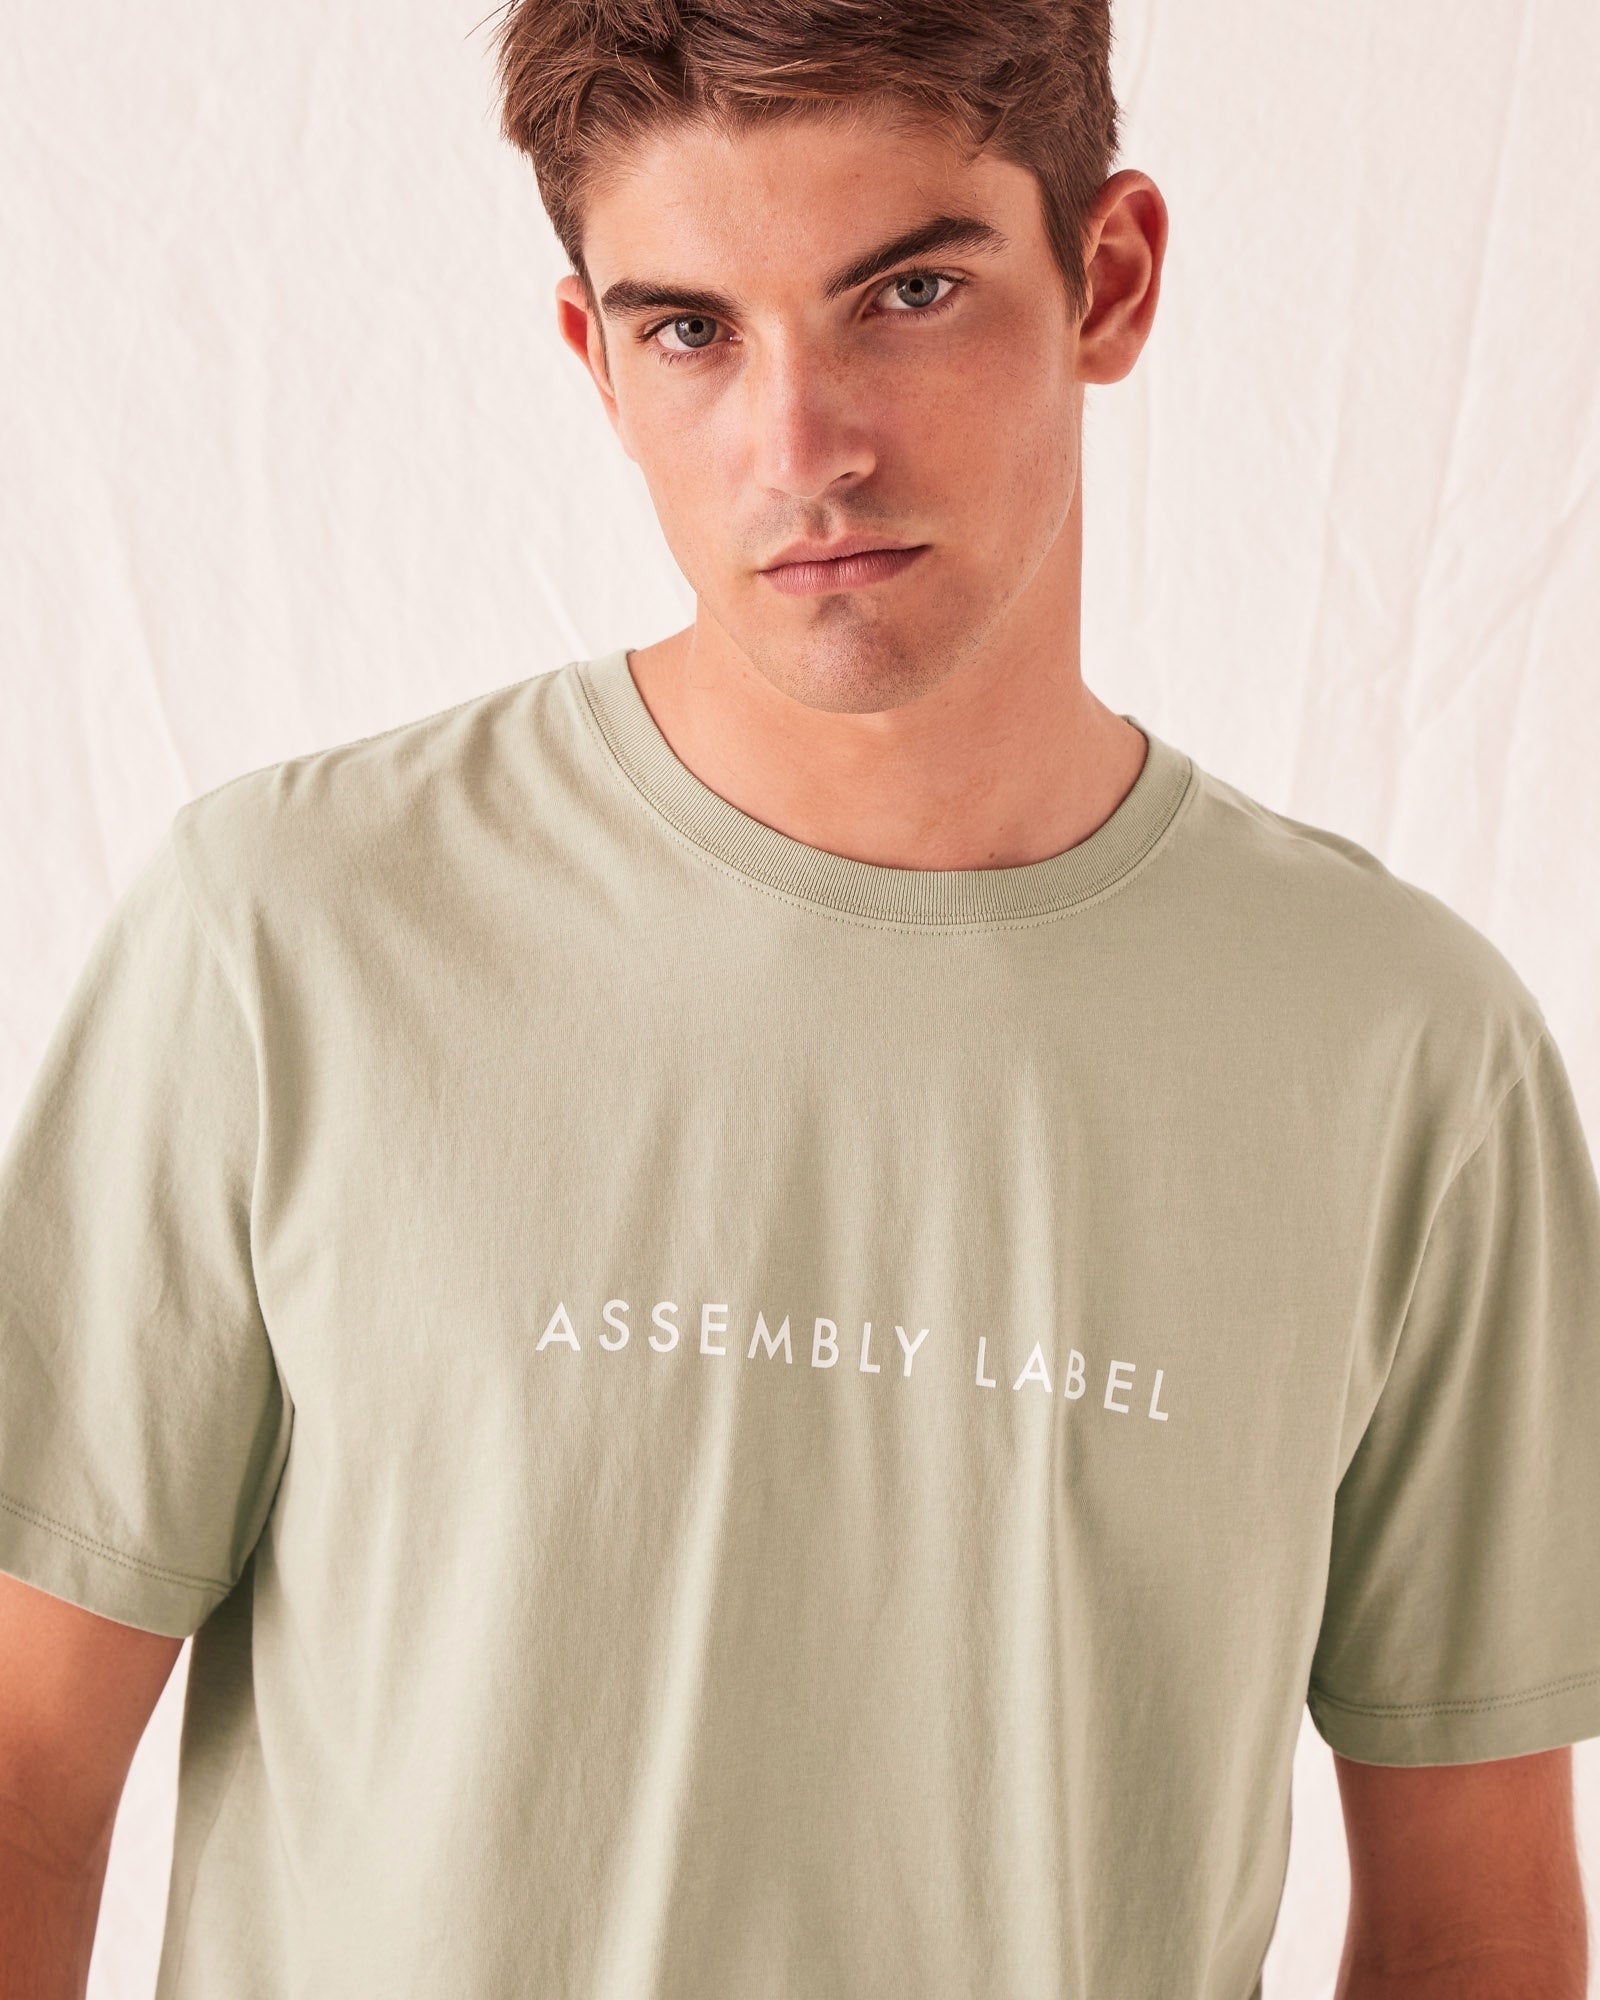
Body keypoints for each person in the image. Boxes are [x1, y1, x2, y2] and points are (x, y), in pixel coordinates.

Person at [1, 0, 1596, 1993]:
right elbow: (21, 1778)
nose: (804, 450)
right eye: (692, 330)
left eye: (907, 293)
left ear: (1108, 280)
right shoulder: (284, 935)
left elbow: (1475, 1925)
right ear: (593, 357)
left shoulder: (1402, 1052)